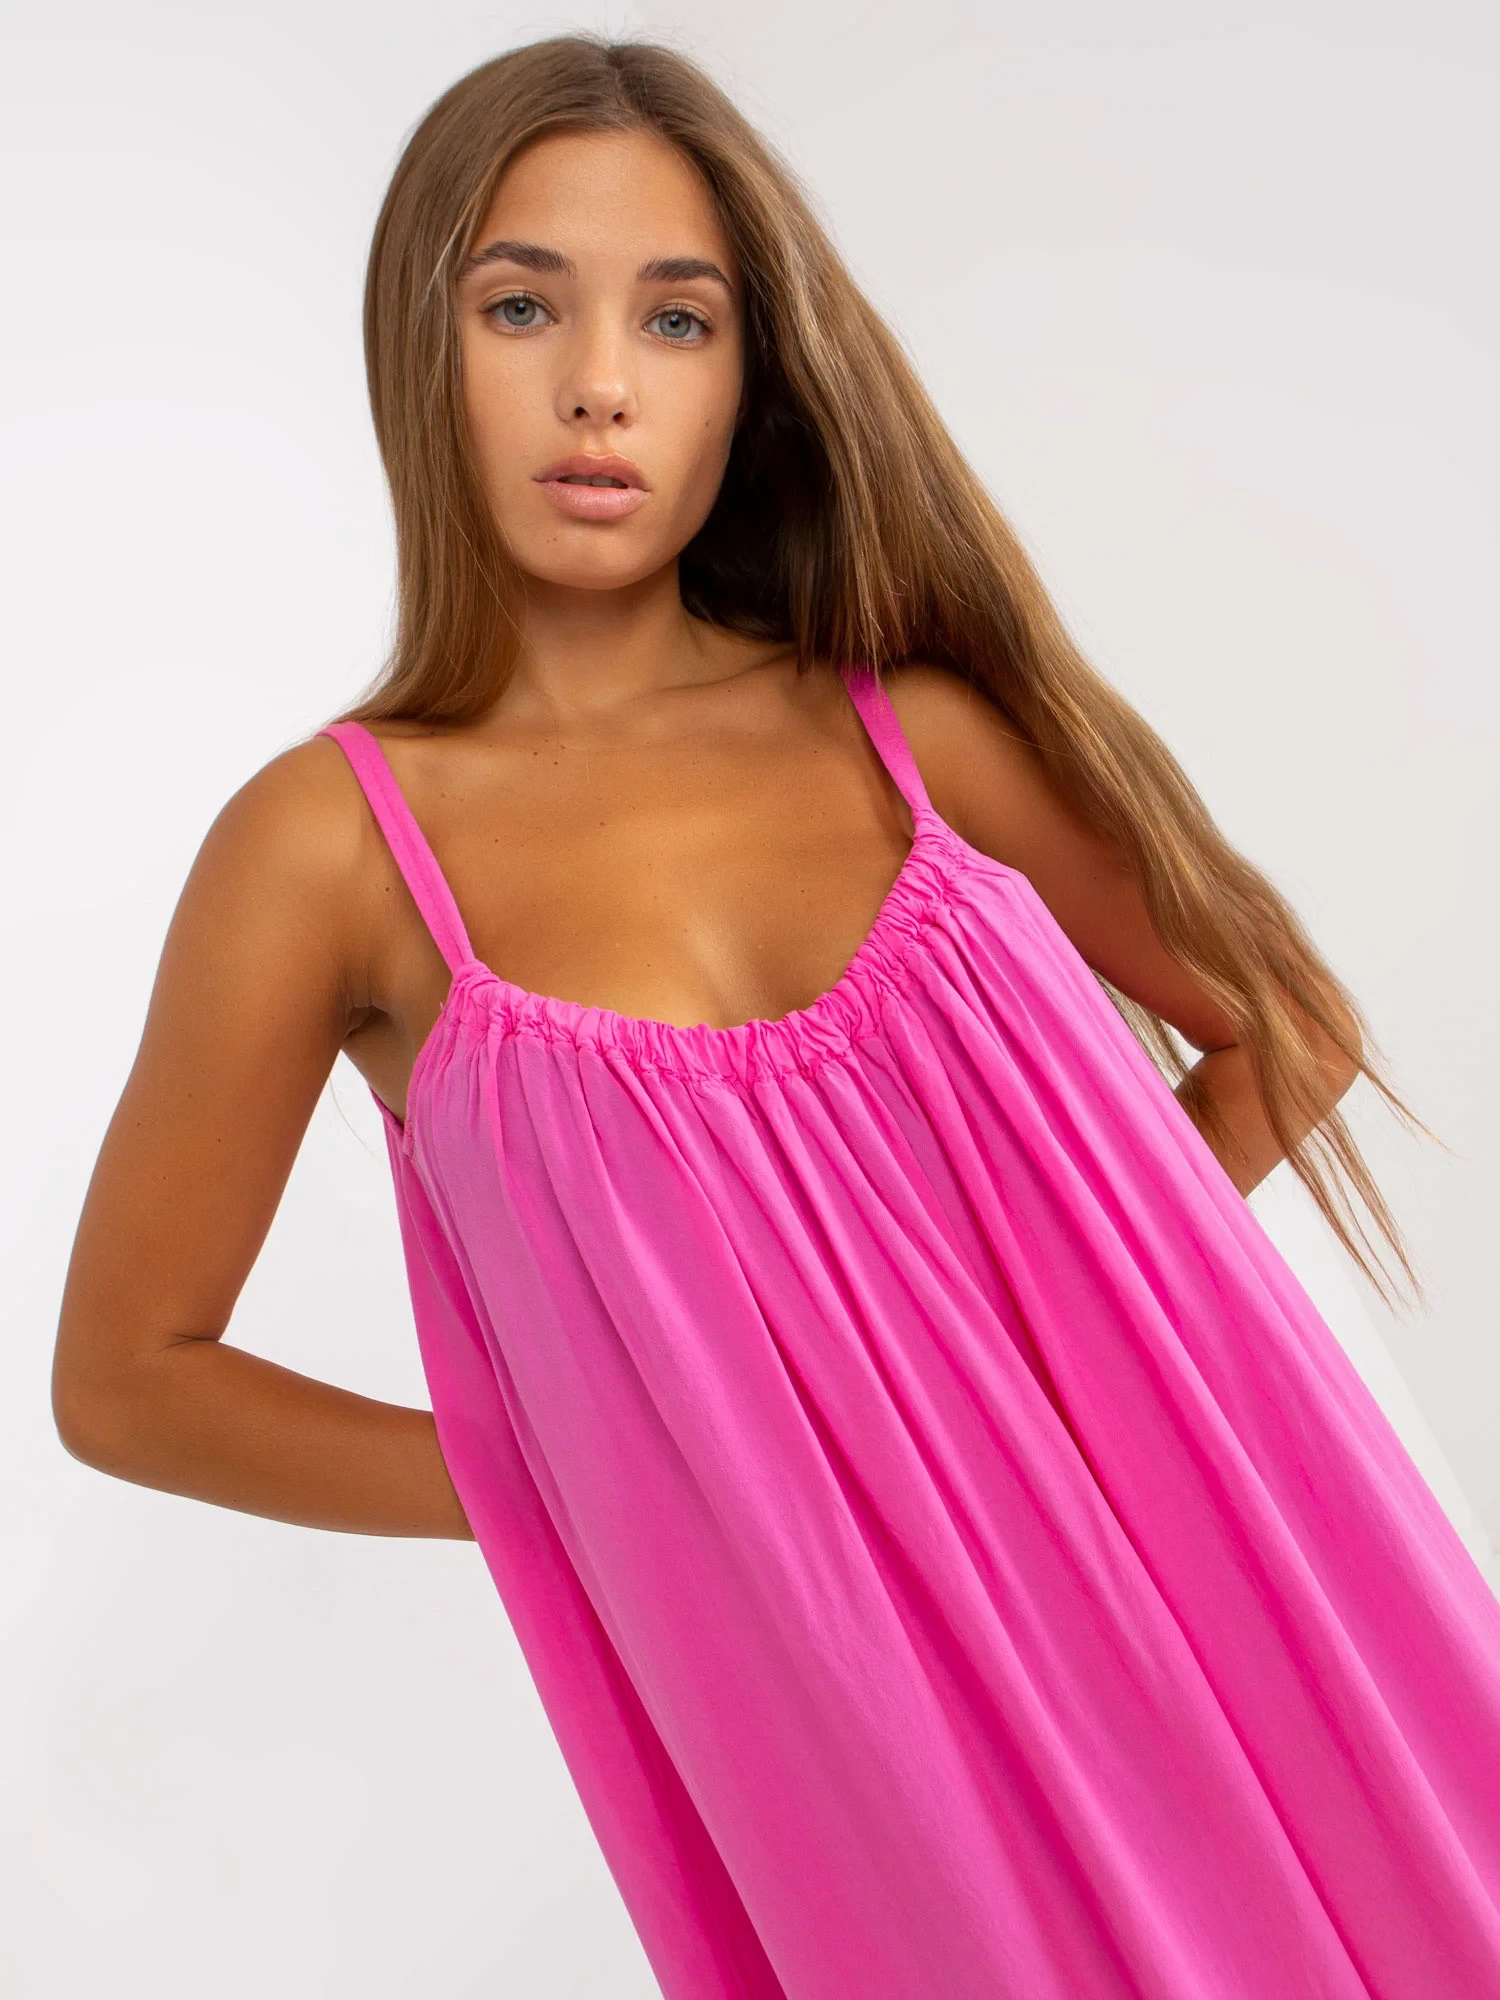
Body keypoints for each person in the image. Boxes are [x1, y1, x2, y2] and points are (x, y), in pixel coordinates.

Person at [51, 33, 1500, 2000]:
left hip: (1202, 1586)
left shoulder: (912, 737)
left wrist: (1072, 1344)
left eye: (678, 317)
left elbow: (1278, 1023)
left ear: (752, 377)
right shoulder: (330, 849)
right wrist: (587, 1487)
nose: (600, 382)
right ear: (421, 341)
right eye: (521, 304)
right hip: (846, 1712)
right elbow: (129, 1376)